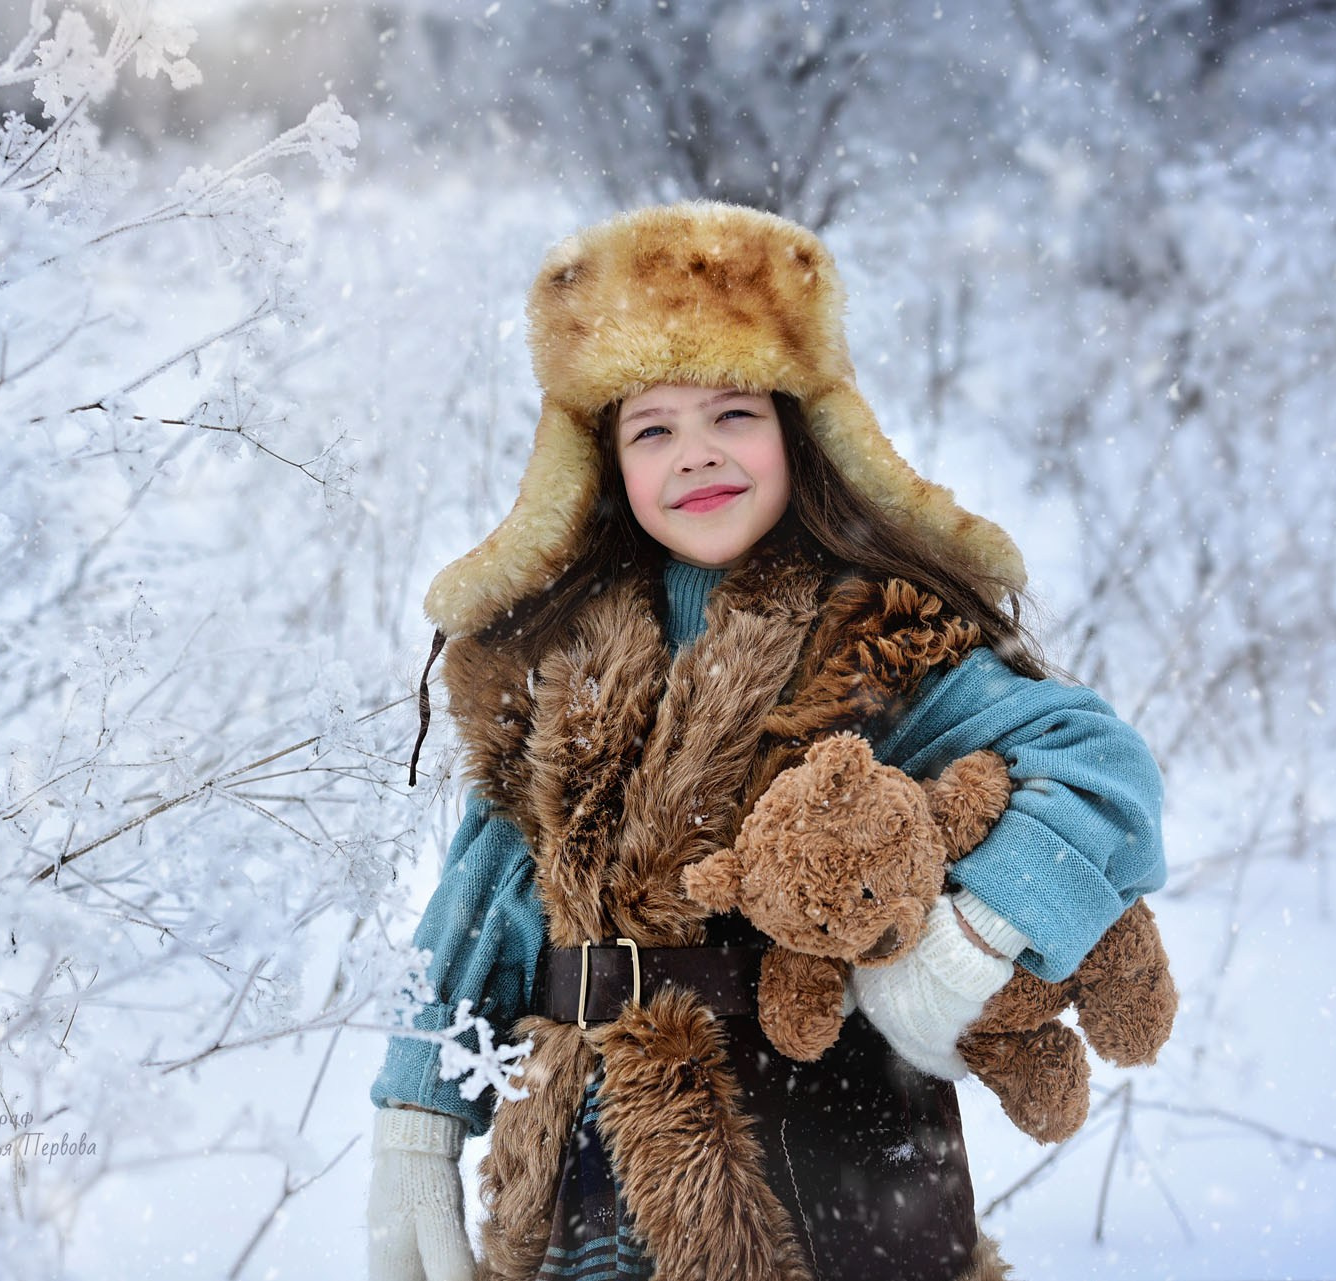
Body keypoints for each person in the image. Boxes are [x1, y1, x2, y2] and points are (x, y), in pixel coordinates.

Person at [364, 202, 1167, 1281]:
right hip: (578, 1174)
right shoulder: (556, 661)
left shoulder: (876, 634)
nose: (695, 454)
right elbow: (488, 898)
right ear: (599, 463)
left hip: (828, 1156)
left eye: (732, 413)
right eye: (652, 428)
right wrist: (416, 1116)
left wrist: (969, 941)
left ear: (800, 428)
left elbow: (1098, 769)